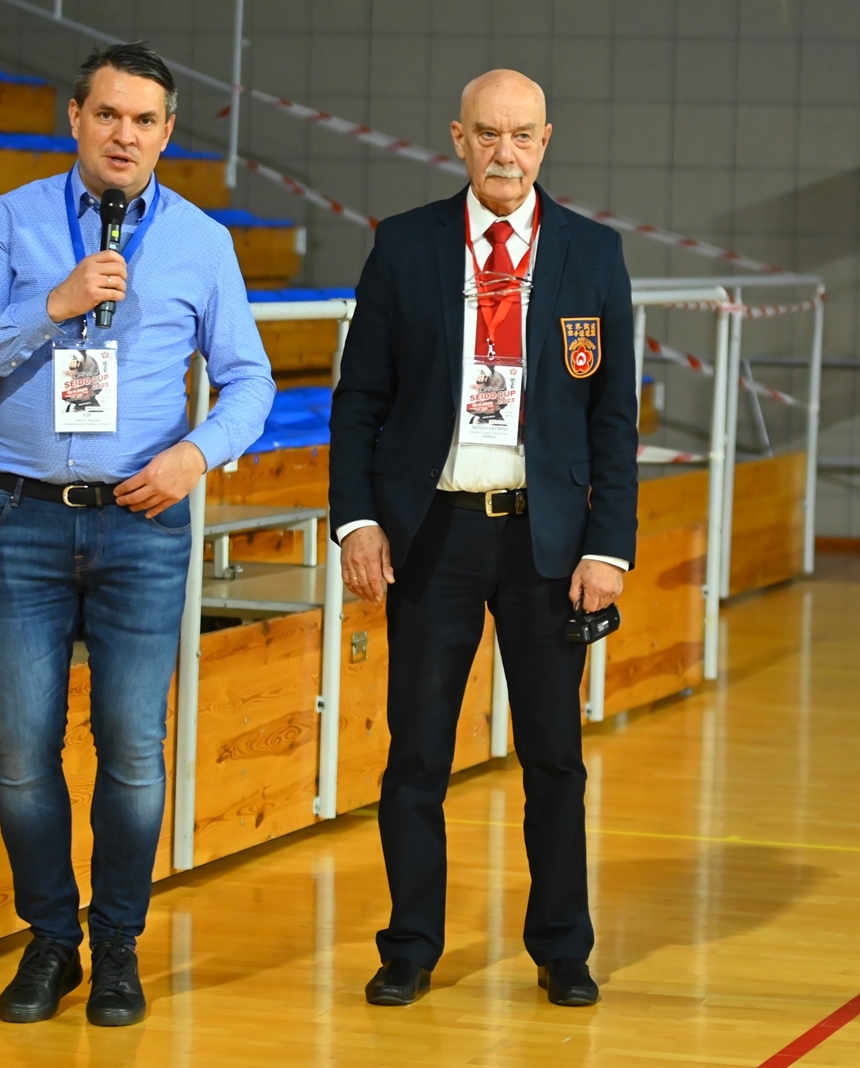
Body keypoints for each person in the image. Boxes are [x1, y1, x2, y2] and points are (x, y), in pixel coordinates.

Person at [0, 42, 273, 1027]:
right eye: (109, 115)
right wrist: (55, 303)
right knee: (22, 748)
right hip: (22, 518)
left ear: (167, 133)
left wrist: (195, 455)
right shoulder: (14, 219)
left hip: (143, 522)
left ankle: (117, 943)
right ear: (76, 118)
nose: (126, 135)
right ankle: (52, 941)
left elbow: (249, 380)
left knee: (132, 746)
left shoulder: (202, 240)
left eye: (145, 120)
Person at [329, 68, 637, 1008]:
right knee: (418, 754)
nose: (507, 152)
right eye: (489, 134)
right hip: (435, 536)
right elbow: (360, 400)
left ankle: (563, 947)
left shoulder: (592, 252)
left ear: (547, 141)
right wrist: (357, 520)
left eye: (523, 135)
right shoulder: (405, 244)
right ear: (458, 138)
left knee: (554, 757)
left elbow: (613, 417)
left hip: (549, 543)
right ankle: (411, 946)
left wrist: (608, 546)